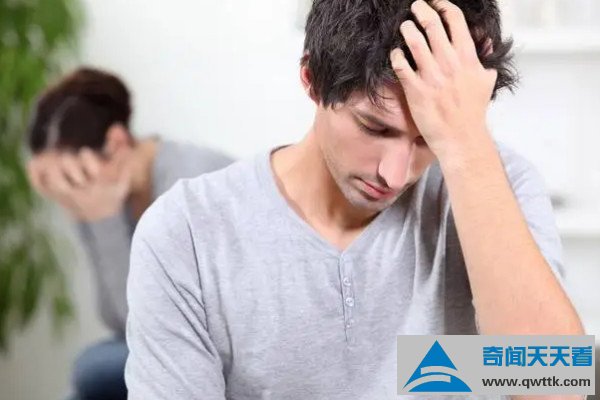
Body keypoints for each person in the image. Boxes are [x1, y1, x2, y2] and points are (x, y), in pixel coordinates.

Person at [125, 0, 584, 399]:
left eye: (427, 138)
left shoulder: (498, 183)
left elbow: (553, 386)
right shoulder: (189, 231)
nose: (395, 174)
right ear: (311, 80)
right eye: (374, 127)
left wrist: (465, 144)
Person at [25, 67, 233, 400]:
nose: (70, 190)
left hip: (216, 351)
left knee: (91, 369)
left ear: (117, 143)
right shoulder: (108, 194)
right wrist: (88, 217)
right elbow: (114, 318)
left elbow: (147, 324)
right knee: (85, 381)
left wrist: (103, 218)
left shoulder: (191, 182)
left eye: (71, 178)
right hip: (165, 345)